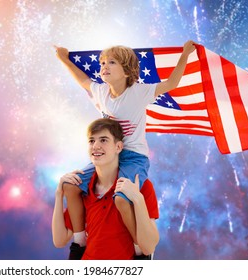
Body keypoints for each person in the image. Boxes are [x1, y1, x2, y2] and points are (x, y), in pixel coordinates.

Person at [54, 41, 195, 248]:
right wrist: (64, 59)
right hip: (109, 157)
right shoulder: (101, 91)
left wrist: (184, 55)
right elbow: (83, 79)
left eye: (111, 62)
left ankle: (139, 247)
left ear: (127, 71)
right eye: (102, 63)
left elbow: (171, 84)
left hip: (133, 157)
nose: (104, 66)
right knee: (70, 186)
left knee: (121, 198)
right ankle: (79, 240)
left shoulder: (139, 92)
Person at [52, 118, 159, 259]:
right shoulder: (82, 188)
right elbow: (60, 241)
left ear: (118, 147)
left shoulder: (141, 185)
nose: (95, 146)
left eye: (103, 140)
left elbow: (148, 247)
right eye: (91, 141)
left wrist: (137, 199)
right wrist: (59, 194)